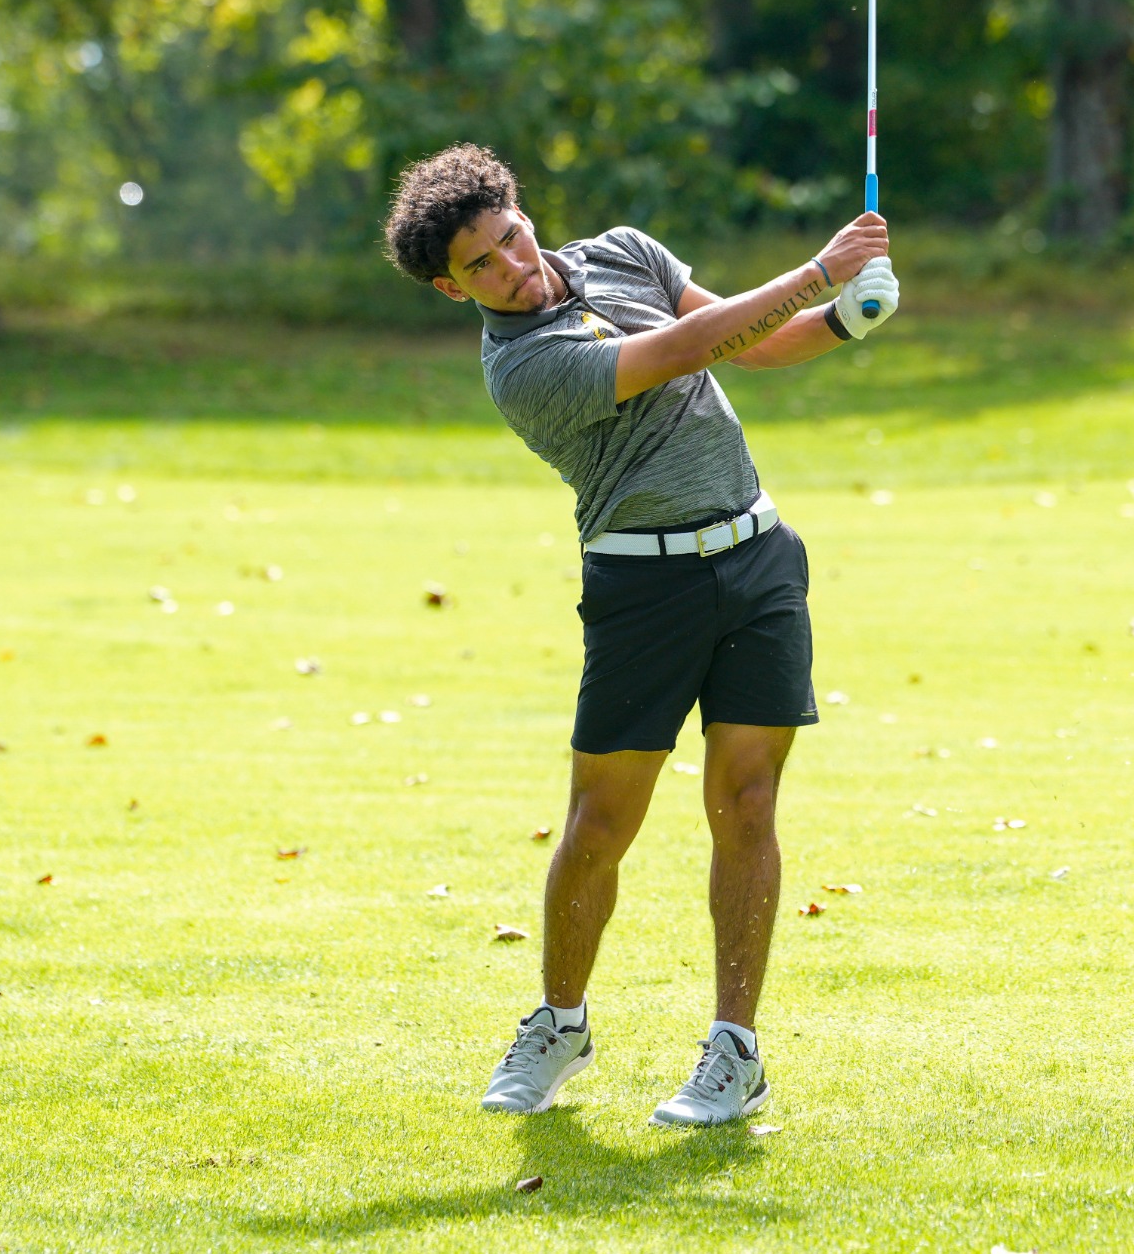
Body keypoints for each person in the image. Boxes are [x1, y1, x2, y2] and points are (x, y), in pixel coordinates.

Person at [382, 143, 899, 1127]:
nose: (514, 266)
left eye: (512, 236)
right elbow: (673, 353)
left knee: (745, 803)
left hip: (756, 560)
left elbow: (741, 340)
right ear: (454, 290)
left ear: (522, 210)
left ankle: (734, 1051)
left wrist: (840, 317)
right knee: (598, 825)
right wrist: (815, 272)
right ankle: (560, 1022)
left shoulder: (623, 252)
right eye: (483, 266)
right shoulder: (523, 368)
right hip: (641, 586)